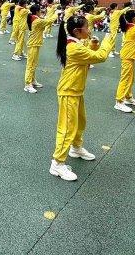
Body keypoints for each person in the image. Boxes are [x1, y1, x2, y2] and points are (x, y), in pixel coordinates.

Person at [50, 15, 117, 181]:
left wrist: (94, 44)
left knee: (80, 122)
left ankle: (76, 147)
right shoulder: (73, 48)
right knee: (67, 128)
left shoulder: (76, 43)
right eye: (86, 27)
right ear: (76, 31)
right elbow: (100, 57)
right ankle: (57, 164)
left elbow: (89, 55)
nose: (89, 30)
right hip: (68, 92)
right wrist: (108, 39)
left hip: (76, 90)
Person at [24, 4, 60, 93]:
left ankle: (32, 80)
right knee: (30, 65)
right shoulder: (37, 21)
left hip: (35, 44)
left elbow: (45, 20)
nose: (41, 12)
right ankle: (27, 84)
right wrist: (56, 14)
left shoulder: (34, 18)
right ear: (37, 11)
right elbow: (49, 21)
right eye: (40, 10)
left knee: (34, 64)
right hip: (33, 45)